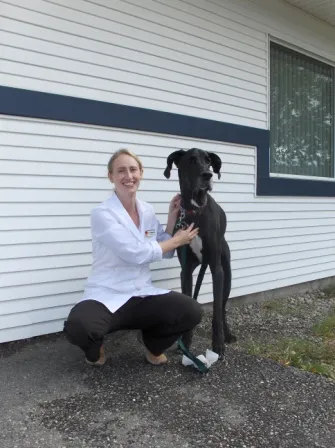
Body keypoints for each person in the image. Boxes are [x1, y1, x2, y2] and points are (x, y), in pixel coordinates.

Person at [63, 148, 202, 367]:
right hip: (108, 294)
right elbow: (135, 253)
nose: (128, 176)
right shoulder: (102, 213)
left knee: (192, 311)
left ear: (141, 173)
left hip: (141, 292)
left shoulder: (146, 210)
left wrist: (171, 219)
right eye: (121, 171)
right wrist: (178, 239)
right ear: (111, 177)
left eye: (133, 169)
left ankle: (152, 346)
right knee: (79, 326)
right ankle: (94, 350)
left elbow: (163, 251)